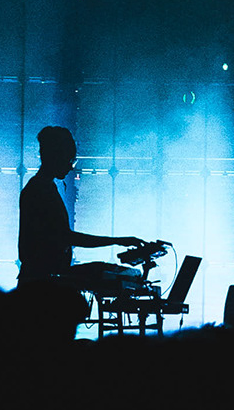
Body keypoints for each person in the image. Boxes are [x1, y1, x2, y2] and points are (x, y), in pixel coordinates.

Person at [16, 127, 147, 332]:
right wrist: (117, 240)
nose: (70, 167)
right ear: (55, 156)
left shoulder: (42, 187)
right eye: (70, 160)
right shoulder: (40, 191)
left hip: (41, 280)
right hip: (41, 285)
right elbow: (65, 237)